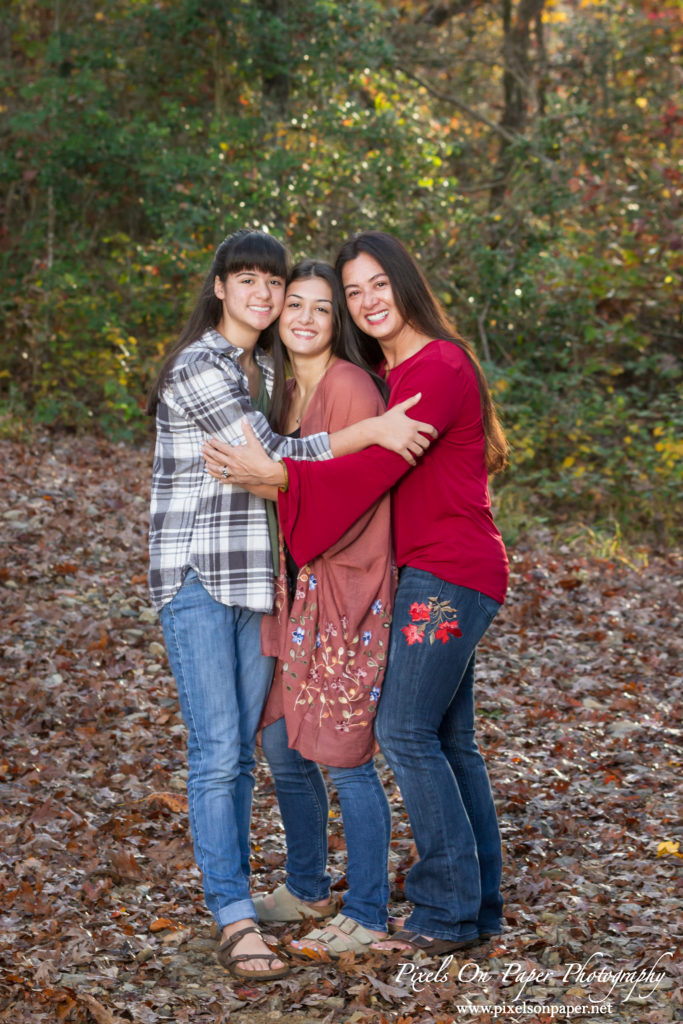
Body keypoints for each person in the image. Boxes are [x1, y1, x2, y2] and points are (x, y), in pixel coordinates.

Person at [200, 230, 510, 957]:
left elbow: (370, 475)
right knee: (448, 741)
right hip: (432, 569)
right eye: (357, 290)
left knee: (403, 732)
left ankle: (443, 914)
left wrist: (278, 478)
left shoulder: (437, 365)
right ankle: (479, 903)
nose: (369, 301)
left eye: (379, 285)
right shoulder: (394, 371)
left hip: (448, 572)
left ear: (406, 285)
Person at [146, 229, 435, 980]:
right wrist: (370, 431)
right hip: (205, 581)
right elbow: (270, 463)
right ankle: (235, 916)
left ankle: (331, 901)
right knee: (222, 755)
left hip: (264, 586)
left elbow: (284, 473)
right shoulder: (207, 368)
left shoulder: (266, 372)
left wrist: (356, 430)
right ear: (220, 288)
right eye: (252, 281)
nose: (269, 298)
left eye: (278, 286)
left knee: (258, 752)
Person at [206, 258, 396, 957]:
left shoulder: (348, 385)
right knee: (283, 743)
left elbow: (355, 492)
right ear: (277, 316)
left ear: (336, 321)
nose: (307, 318)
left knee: (344, 754)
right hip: (289, 592)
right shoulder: (279, 391)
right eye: (295, 306)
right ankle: (308, 885)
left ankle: (369, 910)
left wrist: (277, 486)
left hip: (344, 586)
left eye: (322, 307)